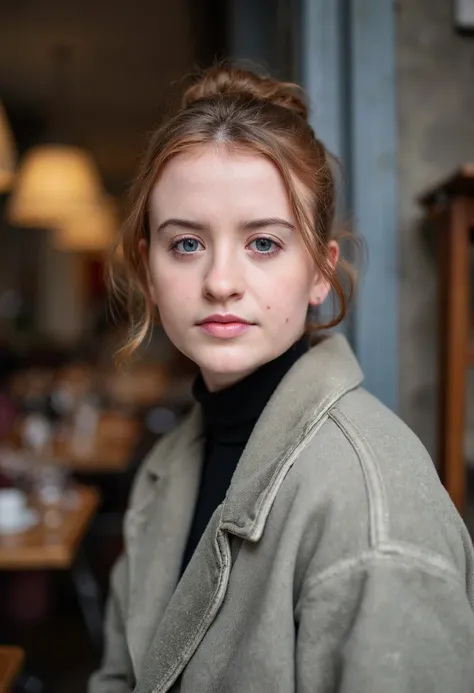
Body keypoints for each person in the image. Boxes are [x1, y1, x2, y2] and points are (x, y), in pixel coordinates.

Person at [89, 66, 474, 693]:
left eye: (263, 244)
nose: (220, 281)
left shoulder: (373, 514)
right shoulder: (167, 463)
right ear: (148, 268)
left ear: (321, 272)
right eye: (186, 244)